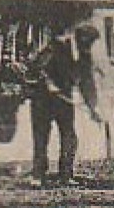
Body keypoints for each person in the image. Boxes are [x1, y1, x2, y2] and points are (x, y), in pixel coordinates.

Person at [25, 24, 102, 186]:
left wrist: (93, 108)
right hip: (42, 100)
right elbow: (35, 68)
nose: (88, 47)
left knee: (69, 137)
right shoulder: (55, 46)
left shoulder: (84, 55)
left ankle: (66, 175)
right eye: (87, 43)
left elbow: (86, 82)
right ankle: (38, 175)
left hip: (64, 100)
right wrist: (47, 82)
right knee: (41, 137)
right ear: (80, 39)